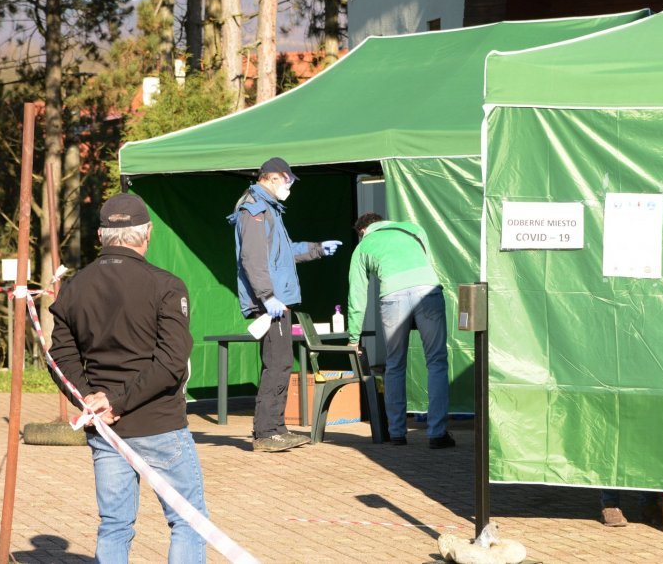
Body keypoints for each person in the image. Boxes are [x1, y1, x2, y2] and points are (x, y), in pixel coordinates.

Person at [49, 193, 208, 563]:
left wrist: (92, 398)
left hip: (106, 428)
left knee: (114, 525)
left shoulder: (74, 288)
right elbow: (172, 361)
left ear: (102, 234)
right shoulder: (166, 285)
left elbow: (60, 356)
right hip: (158, 424)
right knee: (187, 520)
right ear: (147, 233)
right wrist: (106, 402)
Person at [227, 157, 342, 452]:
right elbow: (252, 258)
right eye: (289, 180)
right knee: (277, 364)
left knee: (280, 363)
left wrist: (317, 249)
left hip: (277, 299)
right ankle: (266, 432)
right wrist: (267, 296)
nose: (290, 186)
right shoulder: (254, 208)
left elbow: (283, 251)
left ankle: (276, 428)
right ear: (275, 177)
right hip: (271, 301)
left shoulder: (270, 209)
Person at [347, 212, 454, 449]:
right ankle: (437, 433)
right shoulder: (413, 229)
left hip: (392, 296)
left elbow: (357, 296)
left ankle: (396, 433)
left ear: (362, 231)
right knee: (436, 362)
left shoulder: (363, 246)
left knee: (395, 364)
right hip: (428, 290)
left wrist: (353, 338)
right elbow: (428, 261)